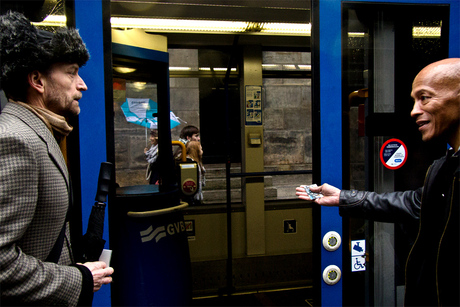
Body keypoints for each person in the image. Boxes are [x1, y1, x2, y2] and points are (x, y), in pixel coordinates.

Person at [296, 58, 460, 306]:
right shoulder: (445, 166)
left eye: (425, 98)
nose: (414, 110)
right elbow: (414, 203)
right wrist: (343, 197)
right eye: (414, 100)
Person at [0, 11, 113, 306]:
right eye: (72, 72)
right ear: (37, 80)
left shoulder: (39, 133)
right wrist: (80, 279)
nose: (82, 84)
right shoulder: (16, 140)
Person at [185, 141, 206, 205]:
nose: (202, 151)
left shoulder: (197, 161)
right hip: (192, 194)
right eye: (201, 149)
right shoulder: (190, 163)